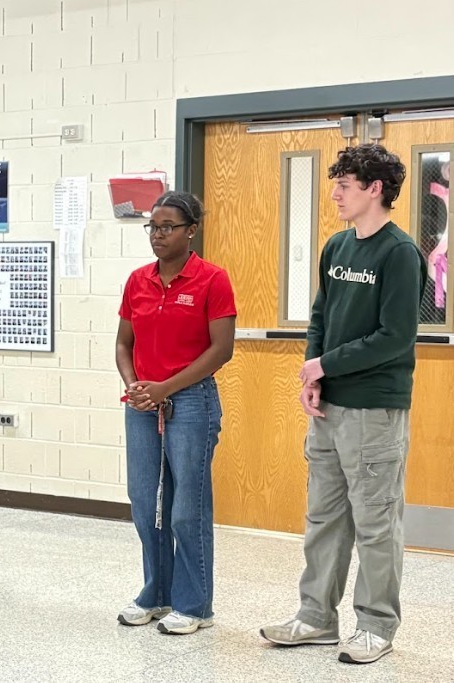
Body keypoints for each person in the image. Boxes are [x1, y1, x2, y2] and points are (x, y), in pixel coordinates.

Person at [260, 144, 427, 664]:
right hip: (328, 407)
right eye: (335, 183)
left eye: (345, 185)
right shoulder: (336, 247)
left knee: (376, 523)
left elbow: (395, 336)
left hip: (374, 411)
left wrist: (326, 365)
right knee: (324, 519)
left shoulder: (399, 253)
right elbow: (321, 316)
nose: (334, 194)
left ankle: (376, 626)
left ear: (375, 190)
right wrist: (314, 373)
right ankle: (316, 618)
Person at [115, 191, 236, 635]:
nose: (158, 235)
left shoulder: (212, 280)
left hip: (191, 402)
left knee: (186, 508)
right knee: (146, 503)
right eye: (153, 227)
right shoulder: (137, 281)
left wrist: (165, 388)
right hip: (142, 403)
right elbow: (123, 343)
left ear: (191, 231)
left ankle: (194, 605)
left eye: (168, 227)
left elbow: (221, 349)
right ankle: (157, 593)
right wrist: (134, 385)